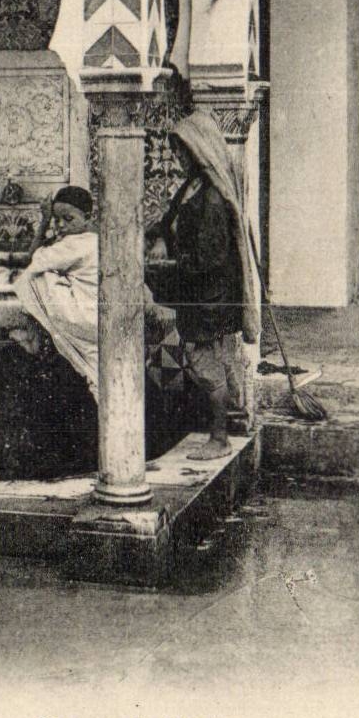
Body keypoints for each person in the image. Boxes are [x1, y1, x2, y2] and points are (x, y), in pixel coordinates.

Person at [145, 110, 259, 461]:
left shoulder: (211, 198)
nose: (179, 158)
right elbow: (169, 221)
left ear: (199, 150)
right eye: (176, 151)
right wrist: (160, 237)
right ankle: (219, 429)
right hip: (195, 291)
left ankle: (220, 437)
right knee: (207, 360)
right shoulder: (191, 186)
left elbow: (209, 260)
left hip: (209, 295)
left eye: (183, 151)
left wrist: (167, 267)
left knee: (202, 361)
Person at [9, 186, 101, 398]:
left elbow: (33, 261)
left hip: (85, 317)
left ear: (87, 217)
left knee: (35, 277)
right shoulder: (91, 239)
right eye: (56, 219)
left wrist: (43, 223)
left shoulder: (76, 245)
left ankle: (33, 338)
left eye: (68, 219)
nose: (60, 225)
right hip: (96, 314)